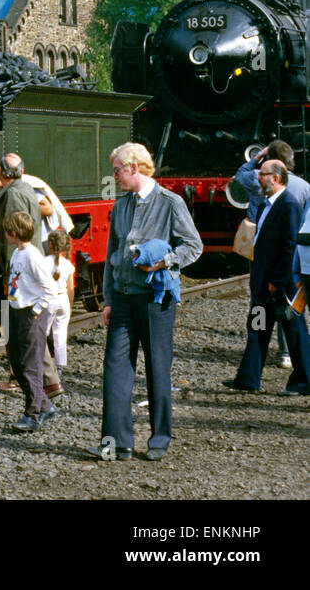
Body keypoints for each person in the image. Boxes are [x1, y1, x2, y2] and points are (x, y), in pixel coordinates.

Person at [88, 142, 202, 462]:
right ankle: (116, 444)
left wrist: (163, 262)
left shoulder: (170, 203)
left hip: (156, 300)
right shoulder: (121, 205)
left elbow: (193, 246)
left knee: (157, 370)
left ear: (134, 167)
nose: (114, 176)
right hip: (123, 299)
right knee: (115, 369)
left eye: (117, 170)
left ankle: (159, 439)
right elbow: (113, 255)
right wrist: (108, 299)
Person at [0, 153, 59, 393]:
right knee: (26, 328)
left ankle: (38, 381)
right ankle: (44, 380)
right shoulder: (22, 189)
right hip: (25, 270)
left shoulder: (14, 195)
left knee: (22, 330)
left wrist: (9, 278)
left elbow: (12, 239)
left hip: (19, 273)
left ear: (4, 172)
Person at [223, 160, 310, 395]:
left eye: (262, 174)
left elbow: (289, 246)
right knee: (257, 327)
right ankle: (248, 378)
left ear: (275, 178)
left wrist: (279, 280)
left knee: (294, 331)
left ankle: (304, 381)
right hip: (262, 284)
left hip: (279, 286)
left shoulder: (289, 205)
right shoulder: (265, 205)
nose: (258, 178)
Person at [3, 211, 64, 432]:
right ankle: (45, 406)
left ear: (14, 232)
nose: (5, 234)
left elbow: (50, 288)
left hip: (29, 313)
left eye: (7, 230)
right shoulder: (16, 253)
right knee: (17, 363)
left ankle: (33, 414)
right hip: (16, 310)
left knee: (30, 365)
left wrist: (36, 311)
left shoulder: (33, 256)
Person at [45, 228, 75, 375]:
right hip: (63, 298)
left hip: (49, 299)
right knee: (60, 333)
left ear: (50, 244)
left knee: (42, 332)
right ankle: (59, 365)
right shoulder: (67, 264)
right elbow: (71, 288)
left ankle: (41, 360)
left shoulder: (44, 263)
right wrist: (70, 304)